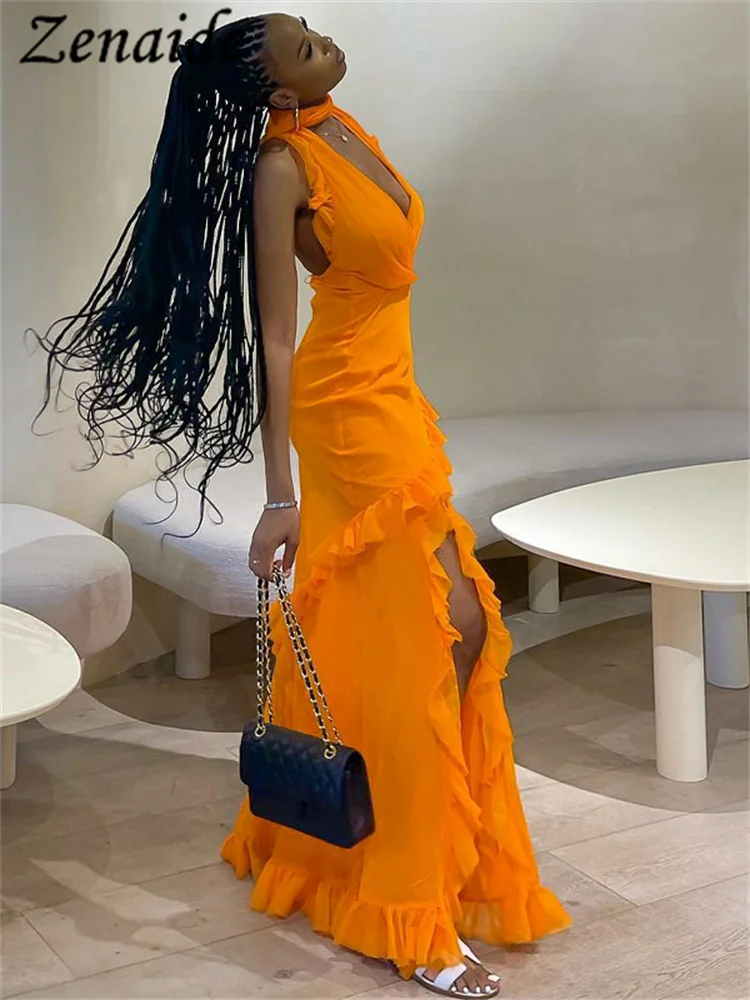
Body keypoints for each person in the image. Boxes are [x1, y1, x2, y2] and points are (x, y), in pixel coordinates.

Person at [34, 13, 570, 996]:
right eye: (306, 48)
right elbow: (275, 340)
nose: (326, 44)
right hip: (347, 410)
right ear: (278, 92)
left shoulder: (342, 127)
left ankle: (390, 849)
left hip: (393, 391)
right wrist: (278, 495)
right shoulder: (280, 167)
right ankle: (406, 906)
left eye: (313, 33)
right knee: (435, 632)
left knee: (425, 632)